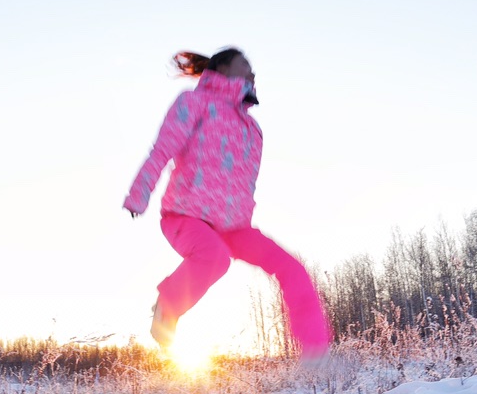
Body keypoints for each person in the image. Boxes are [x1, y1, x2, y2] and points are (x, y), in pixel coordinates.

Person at [124, 47, 332, 359]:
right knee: (214, 258)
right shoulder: (193, 103)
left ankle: (316, 351)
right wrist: (139, 194)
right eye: (244, 65)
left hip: (235, 227)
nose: (252, 72)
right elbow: (163, 149)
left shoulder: (252, 128)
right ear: (223, 71)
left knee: (292, 268)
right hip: (186, 216)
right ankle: (168, 304)